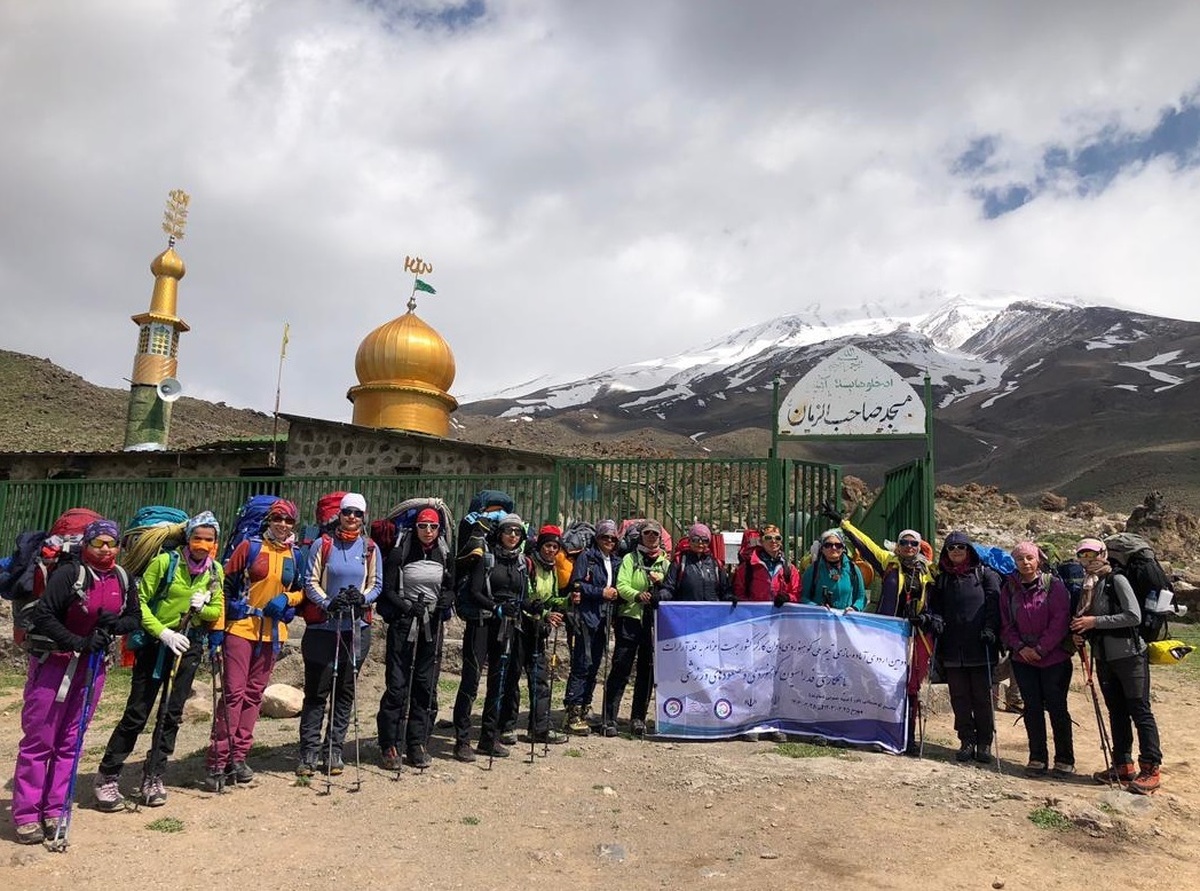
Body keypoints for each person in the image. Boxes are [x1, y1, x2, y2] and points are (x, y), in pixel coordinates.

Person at [11, 519, 141, 844]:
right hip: (54, 664)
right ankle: (27, 814)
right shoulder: (70, 574)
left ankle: (55, 809)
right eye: (99, 543)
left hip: (92, 668)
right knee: (41, 738)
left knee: (71, 740)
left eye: (112, 543)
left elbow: (134, 618)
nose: (107, 549)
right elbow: (44, 615)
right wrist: (77, 642)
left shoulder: (122, 578)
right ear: (87, 545)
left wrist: (115, 624)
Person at [94, 511, 225, 810]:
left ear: (216, 542)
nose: (202, 545)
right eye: (197, 538)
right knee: (138, 712)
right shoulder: (165, 563)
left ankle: (154, 776)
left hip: (188, 646)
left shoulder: (215, 571)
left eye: (209, 539)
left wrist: (202, 607)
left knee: (172, 713)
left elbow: (215, 611)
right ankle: (108, 775)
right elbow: (139, 603)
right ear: (188, 538)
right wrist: (163, 632)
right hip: (156, 645)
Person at [206, 499, 305, 790]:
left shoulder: (296, 554)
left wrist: (288, 599)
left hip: (272, 633)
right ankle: (217, 760)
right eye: (278, 519)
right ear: (268, 520)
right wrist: (218, 626)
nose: (283, 525)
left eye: (289, 521)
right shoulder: (249, 547)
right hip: (241, 629)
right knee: (234, 694)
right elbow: (223, 585)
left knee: (253, 696)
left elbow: (300, 590)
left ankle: (239, 757)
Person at [829, 509, 936, 755]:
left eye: (913, 543)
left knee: (910, 686)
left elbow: (937, 600)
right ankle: (878, 730)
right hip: (888, 634)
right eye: (904, 542)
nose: (908, 547)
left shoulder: (930, 571)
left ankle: (907, 736)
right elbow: (865, 544)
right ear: (897, 546)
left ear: (919, 547)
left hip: (915, 634)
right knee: (883, 682)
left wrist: (928, 618)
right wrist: (844, 524)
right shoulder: (888, 563)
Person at [1069, 537, 1162, 794]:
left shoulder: (1116, 580)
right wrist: (1082, 633)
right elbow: (1091, 620)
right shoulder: (1091, 585)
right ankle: (1123, 765)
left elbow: (1133, 616)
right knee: (1117, 711)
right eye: (1082, 556)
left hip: (1130, 655)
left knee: (1139, 710)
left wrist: (1093, 622)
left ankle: (1151, 768)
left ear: (1104, 554)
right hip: (1105, 657)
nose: (1088, 561)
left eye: (1092, 555)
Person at [297, 493, 381, 777]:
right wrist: (327, 603)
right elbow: (310, 581)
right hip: (323, 627)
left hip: (355, 629)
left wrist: (362, 598)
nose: (352, 517)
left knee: (344, 692)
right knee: (317, 691)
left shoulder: (369, 548)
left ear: (364, 516)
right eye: (348, 512)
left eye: (358, 513)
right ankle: (308, 752)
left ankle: (333, 750)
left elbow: (376, 584)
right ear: (340, 514)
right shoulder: (323, 545)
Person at [376, 507, 454, 769]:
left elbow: (451, 585)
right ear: (415, 527)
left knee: (425, 686)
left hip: (431, 627)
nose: (428, 531)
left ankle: (417, 743)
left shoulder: (443, 552)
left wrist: (447, 599)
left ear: (439, 529)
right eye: (423, 526)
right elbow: (387, 590)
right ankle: (390, 745)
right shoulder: (401, 551)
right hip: (403, 624)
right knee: (397, 686)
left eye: (433, 527)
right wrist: (408, 607)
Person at [452, 513, 529, 761]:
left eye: (517, 532)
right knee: (471, 680)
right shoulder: (486, 558)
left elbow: (520, 595)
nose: (513, 536)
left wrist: (532, 606)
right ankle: (462, 740)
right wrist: (496, 607)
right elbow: (474, 591)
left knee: (499, 683)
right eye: (509, 531)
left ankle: (488, 738)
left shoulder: (521, 563)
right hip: (482, 623)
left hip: (506, 626)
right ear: (500, 533)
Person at [923, 531, 1001, 765]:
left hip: (980, 646)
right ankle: (966, 740)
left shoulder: (985, 575)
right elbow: (933, 606)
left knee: (981, 697)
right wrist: (934, 619)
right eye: (951, 548)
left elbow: (994, 606)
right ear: (946, 552)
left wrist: (990, 630)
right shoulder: (942, 579)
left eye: (961, 547)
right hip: (952, 648)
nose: (956, 551)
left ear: (970, 550)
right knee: (959, 697)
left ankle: (984, 742)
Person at [1000, 541, 1074, 778]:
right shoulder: (1009, 589)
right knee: (1031, 708)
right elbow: (1006, 624)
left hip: (1054, 659)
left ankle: (1064, 758)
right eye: (1020, 559)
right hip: (1023, 659)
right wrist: (1021, 647)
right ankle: (1037, 757)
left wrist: (1041, 649)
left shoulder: (1054, 586)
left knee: (1057, 707)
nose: (1025, 563)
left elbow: (1060, 620)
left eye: (1029, 558)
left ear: (1038, 560)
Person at [499, 524, 569, 747]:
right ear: (540, 545)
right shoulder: (527, 564)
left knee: (540, 680)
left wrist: (566, 603)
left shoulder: (552, 569)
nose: (551, 550)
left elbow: (553, 597)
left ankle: (539, 728)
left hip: (539, 631)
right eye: (548, 545)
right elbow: (525, 596)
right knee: (512, 678)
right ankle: (507, 727)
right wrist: (546, 613)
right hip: (521, 628)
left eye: (555, 547)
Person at [602, 520, 671, 738]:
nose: (651, 537)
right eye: (647, 533)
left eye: (655, 534)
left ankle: (638, 718)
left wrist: (659, 587)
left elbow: (671, 589)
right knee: (620, 668)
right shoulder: (630, 559)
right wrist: (636, 595)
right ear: (640, 536)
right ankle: (609, 718)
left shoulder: (665, 563)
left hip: (653, 623)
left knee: (646, 671)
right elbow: (621, 585)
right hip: (630, 619)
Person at [563, 519, 621, 735]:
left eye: (613, 538)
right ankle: (573, 712)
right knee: (582, 664)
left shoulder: (614, 560)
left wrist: (614, 592)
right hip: (587, 618)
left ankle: (585, 707)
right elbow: (577, 584)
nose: (609, 541)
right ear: (598, 538)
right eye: (605, 537)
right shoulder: (587, 557)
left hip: (604, 619)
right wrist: (601, 593)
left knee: (595, 664)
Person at [661, 523, 733, 603]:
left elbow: (725, 589)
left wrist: (730, 597)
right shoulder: (679, 561)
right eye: (695, 539)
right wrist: (661, 596)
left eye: (705, 540)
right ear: (689, 541)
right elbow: (669, 587)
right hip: (686, 613)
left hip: (711, 613)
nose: (700, 543)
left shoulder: (716, 564)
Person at [731, 524, 799, 607]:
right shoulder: (748, 567)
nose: (773, 541)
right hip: (755, 617)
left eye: (777, 538)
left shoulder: (789, 568)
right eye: (768, 538)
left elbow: (796, 593)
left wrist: (788, 597)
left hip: (780, 616)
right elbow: (738, 593)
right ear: (761, 542)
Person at [800, 529, 866, 611]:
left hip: (845, 621)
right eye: (828, 545)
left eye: (838, 545)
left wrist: (854, 608)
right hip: (819, 619)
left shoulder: (853, 569)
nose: (833, 548)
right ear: (822, 548)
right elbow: (802, 597)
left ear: (843, 548)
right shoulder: (813, 570)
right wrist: (817, 607)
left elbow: (861, 597)